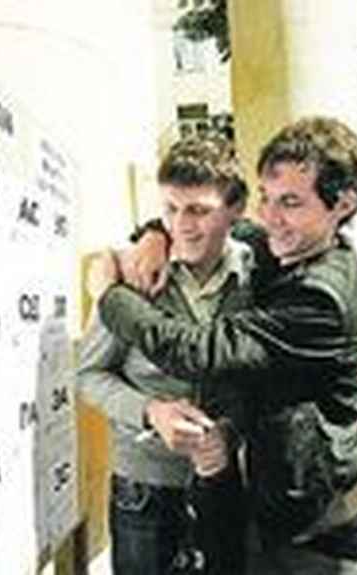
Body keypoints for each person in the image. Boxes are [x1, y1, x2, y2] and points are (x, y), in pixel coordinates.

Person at [88, 116, 357, 573]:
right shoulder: (281, 243)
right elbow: (89, 373)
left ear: (343, 204)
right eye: (267, 197)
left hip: (320, 523)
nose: (270, 217)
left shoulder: (316, 293)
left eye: (290, 202)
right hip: (164, 485)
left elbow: (196, 352)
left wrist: (108, 293)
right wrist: (154, 233)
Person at [77, 136, 258, 574]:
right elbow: (88, 375)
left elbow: (259, 378)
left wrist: (230, 432)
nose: (182, 226)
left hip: (228, 483)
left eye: (198, 210)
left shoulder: (258, 275)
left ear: (235, 208)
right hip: (144, 489)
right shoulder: (132, 273)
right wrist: (150, 411)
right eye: (170, 210)